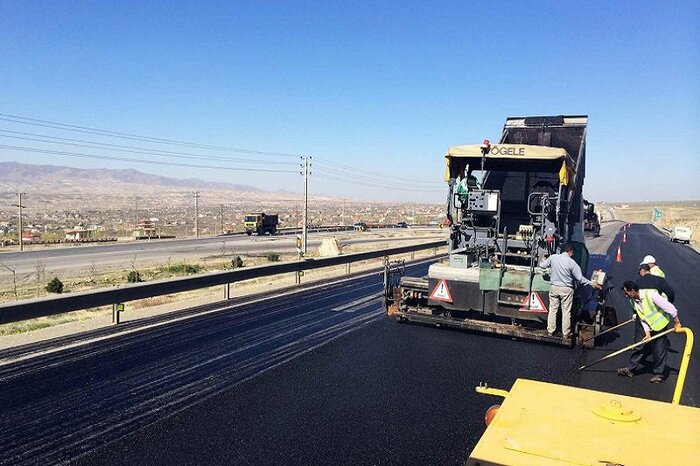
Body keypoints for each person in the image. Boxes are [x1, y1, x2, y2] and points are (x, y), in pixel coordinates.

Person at [617, 281, 682, 383]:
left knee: (659, 348)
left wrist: (677, 322)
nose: (626, 296)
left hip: (661, 324)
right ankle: (631, 369)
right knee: (641, 344)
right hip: (649, 325)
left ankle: (658, 374)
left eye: (627, 293)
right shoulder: (634, 301)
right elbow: (643, 318)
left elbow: (670, 308)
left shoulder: (650, 294)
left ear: (633, 291)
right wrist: (647, 333)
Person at [539, 243, 602, 338]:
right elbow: (580, 279)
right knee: (566, 311)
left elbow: (542, 266)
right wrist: (592, 284)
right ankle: (566, 333)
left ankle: (550, 331)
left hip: (554, 287)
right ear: (571, 252)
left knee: (553, 310)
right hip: (566, 289)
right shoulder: (572, 263)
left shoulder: (553, 258)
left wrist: (543, 259)